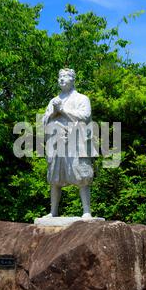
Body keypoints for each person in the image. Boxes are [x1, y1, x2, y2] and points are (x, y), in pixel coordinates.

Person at [42, 68, 95, 218]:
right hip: (56, 142)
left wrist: (63, 110)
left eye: (65, 76)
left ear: (73, 79)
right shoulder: (54, 101)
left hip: (76, 142)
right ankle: (53, 212)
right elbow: (43, 120)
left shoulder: (82, 98)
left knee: (81, 176)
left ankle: (86, 211)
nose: (62, 79)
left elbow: (85, 116)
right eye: (60, 77)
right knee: (54, 178)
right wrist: (53, 112)